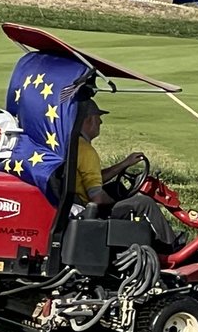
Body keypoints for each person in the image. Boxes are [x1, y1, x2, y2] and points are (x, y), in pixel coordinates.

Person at [72, 99, 176, 248]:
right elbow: (98, 198)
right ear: (88, 120)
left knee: (116, 188)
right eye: (98, 117)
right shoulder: (86, 151)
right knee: (143, 203)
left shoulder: (74, 144)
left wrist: (123, 165)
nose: (101, 122)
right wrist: (118, 200)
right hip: (87, 209)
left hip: (77, 202)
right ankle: (170, 247)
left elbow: (90, 179)